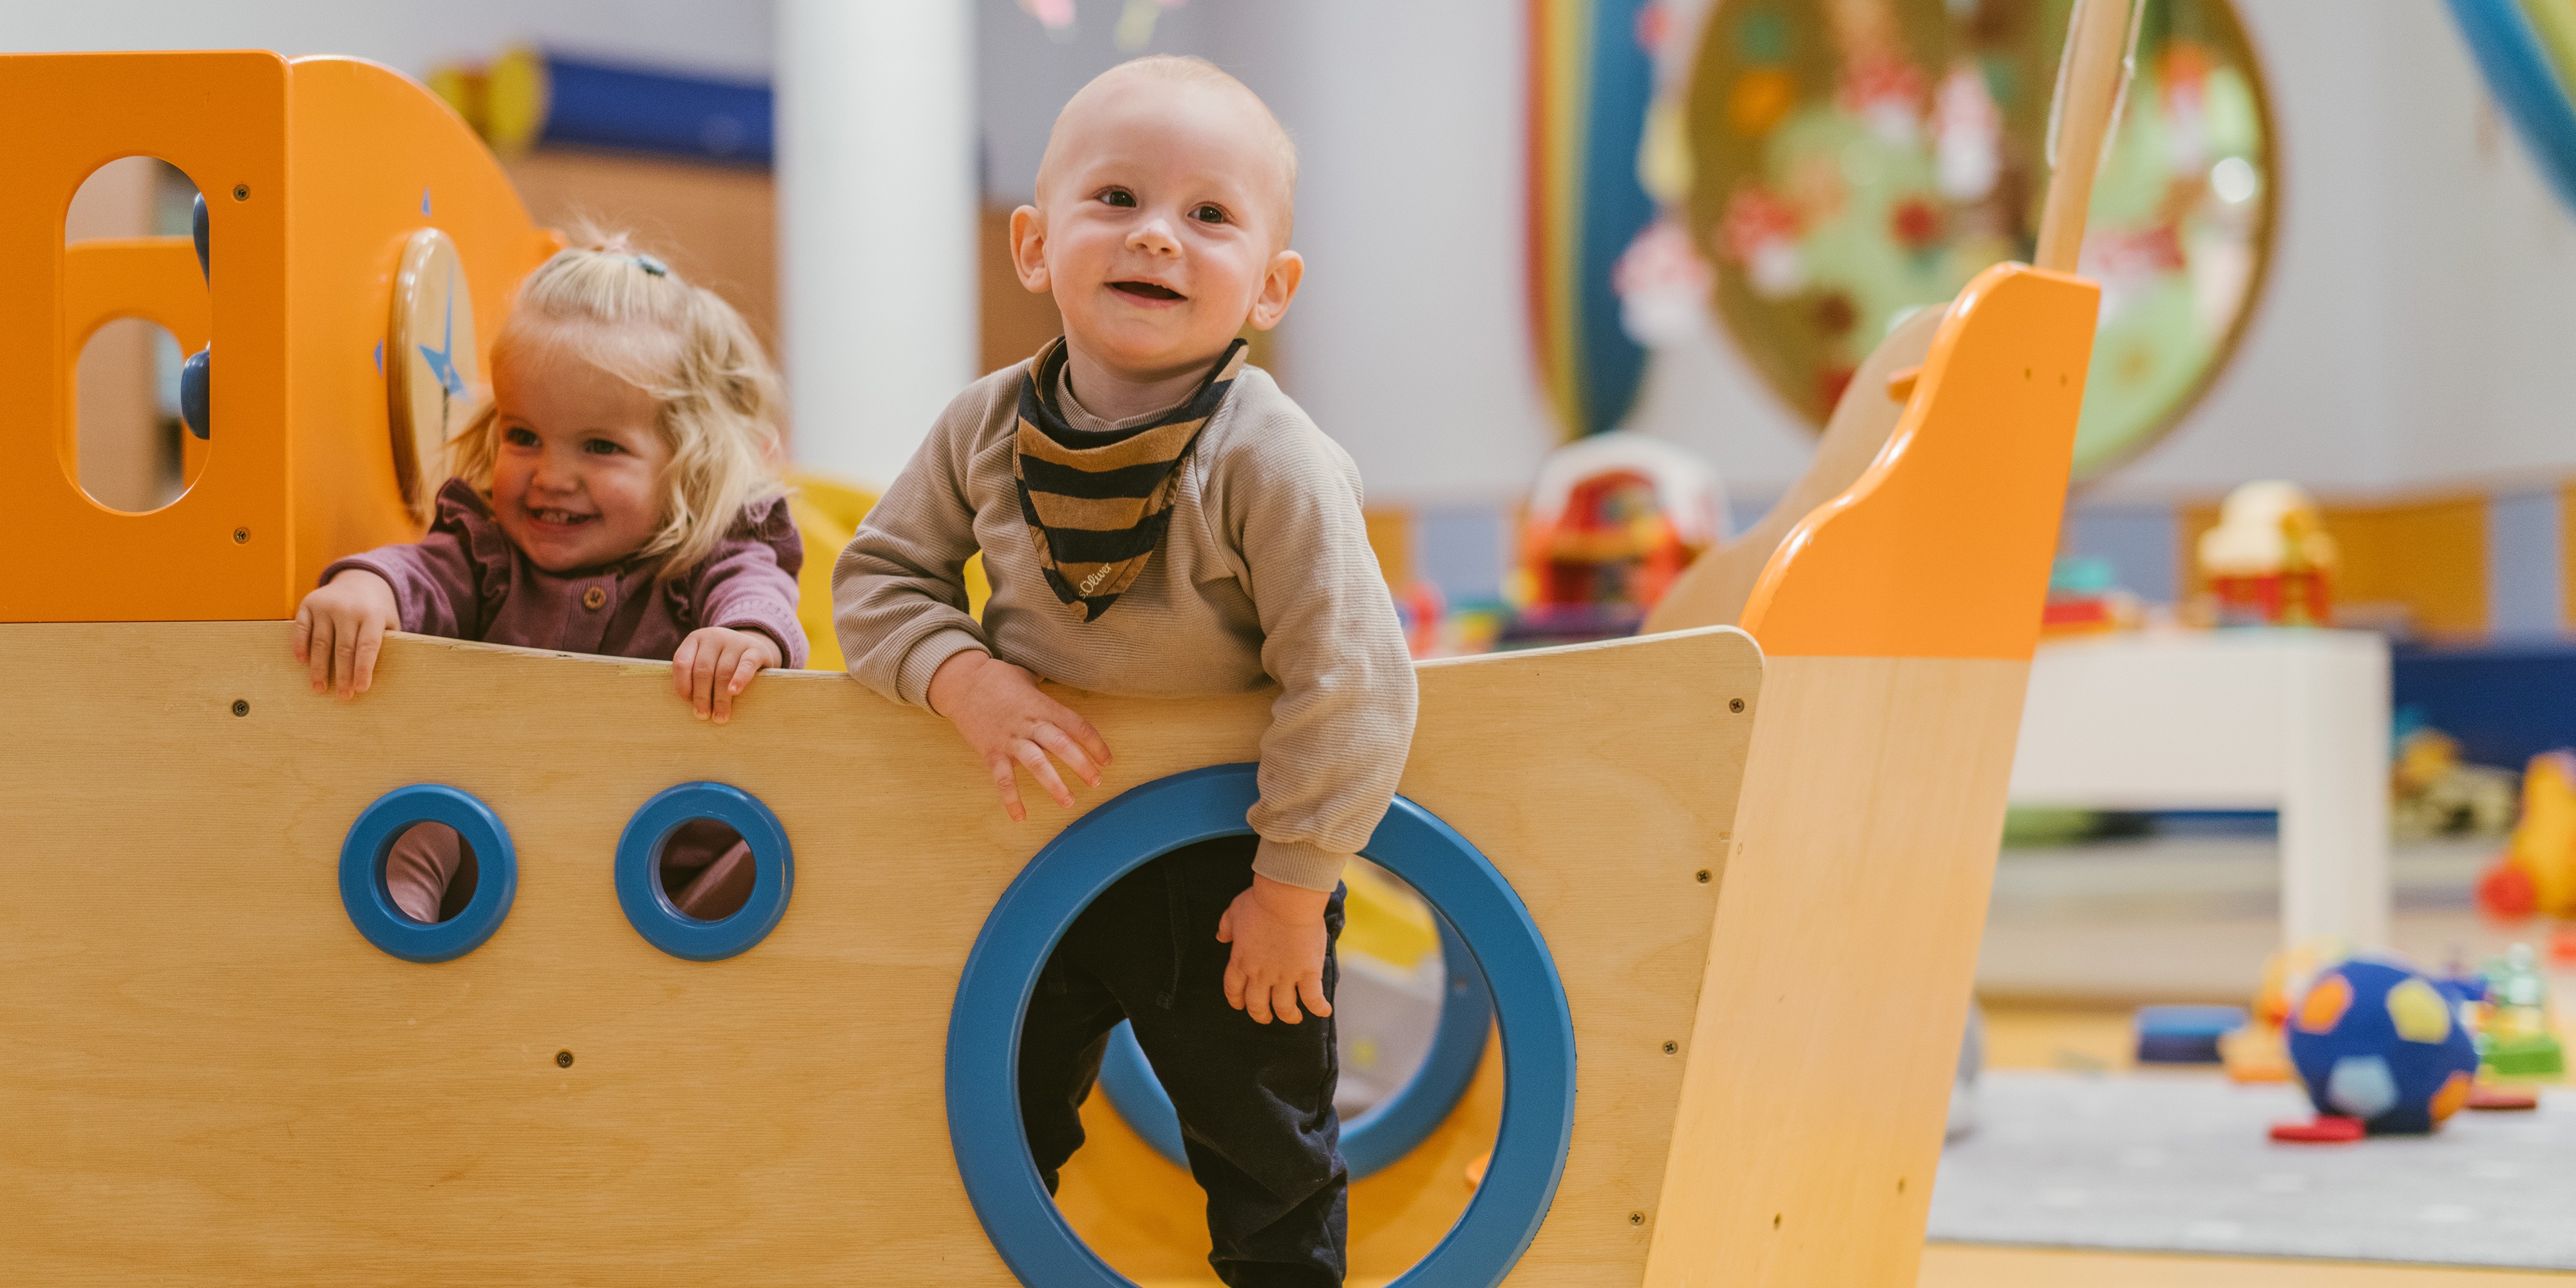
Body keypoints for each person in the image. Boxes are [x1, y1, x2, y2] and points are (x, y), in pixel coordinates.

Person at [835, 56, 1415, 1287]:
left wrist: (1294, 889)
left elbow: (1354, 682)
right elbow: (877, 581)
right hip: (1030, 843)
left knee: (1264, 1154)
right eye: (1117, 198)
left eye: (1210, 216)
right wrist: (967, 682)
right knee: (990, 1124)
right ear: (1036, 244)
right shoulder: (983, 427)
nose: (1158, 234)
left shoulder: (1271, 460)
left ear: (1270, 287)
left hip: (1228, 871)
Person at [294, 236, 806, 925]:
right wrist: (368, 588)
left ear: (689, 462)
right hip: (498, 854)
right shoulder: (488, 555)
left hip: (669, 866)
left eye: (600, 446)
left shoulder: (705, 558)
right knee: (414, 807)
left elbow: (758, 591)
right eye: (523, 435)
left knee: (788, 844)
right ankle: (402, 937)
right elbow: (424, 575)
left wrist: (743, 635)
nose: (550, 476)